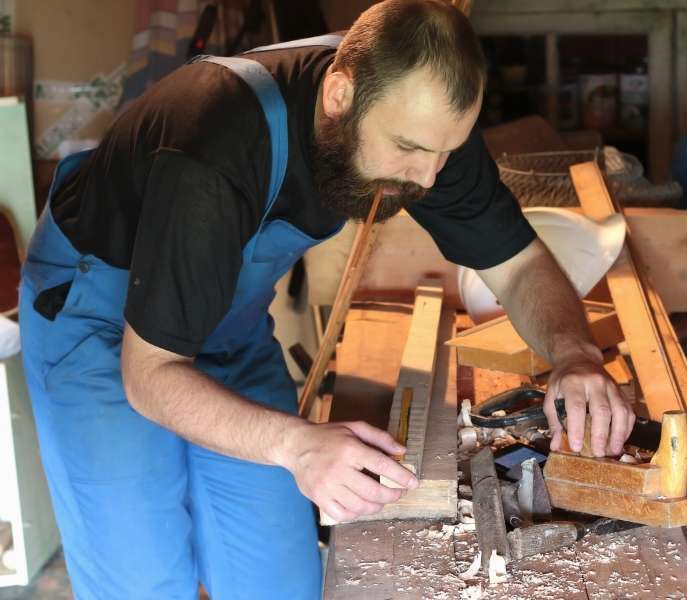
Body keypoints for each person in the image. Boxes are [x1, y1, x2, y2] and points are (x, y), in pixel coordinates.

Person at [18, 0, 635, 597]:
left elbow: (520, 262)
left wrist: (575, 353)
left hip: (225, 326)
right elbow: (150, 374)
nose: (427, 178)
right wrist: (297, 443)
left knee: (276, 577)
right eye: (412, 151)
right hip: (101, 323)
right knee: (143, 576)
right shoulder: (213, 143)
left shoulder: (423, 120)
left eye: (444, 152)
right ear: (339, 96)